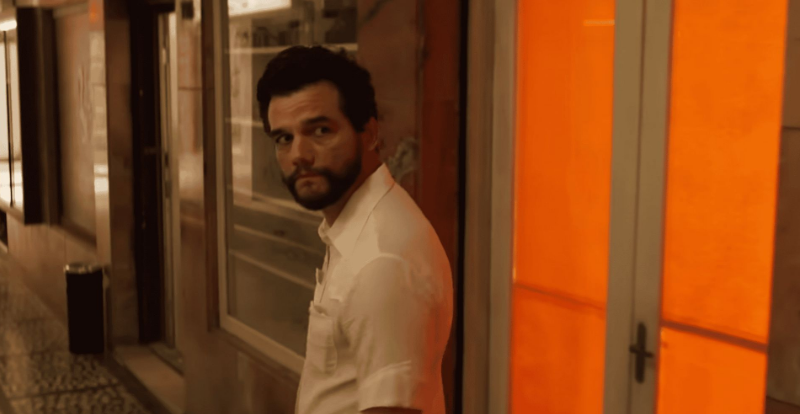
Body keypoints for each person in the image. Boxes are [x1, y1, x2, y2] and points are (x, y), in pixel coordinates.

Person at [257, 46, 453, 414]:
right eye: (284, 138)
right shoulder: (357, 230)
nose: (299, 154)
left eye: (320, 130)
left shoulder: (381, 261)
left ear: (370, 133)